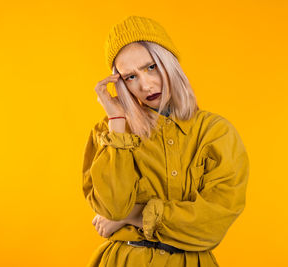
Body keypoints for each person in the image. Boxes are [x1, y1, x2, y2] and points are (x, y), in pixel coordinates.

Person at [82, 15, 250, 267]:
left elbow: (212, 224)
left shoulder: (216, 132)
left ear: (169, 63)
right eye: (130, 77)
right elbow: (111, 209)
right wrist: (117, 120)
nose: (146, 84)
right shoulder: (110, 132)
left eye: (151, 67)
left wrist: (133, 215)